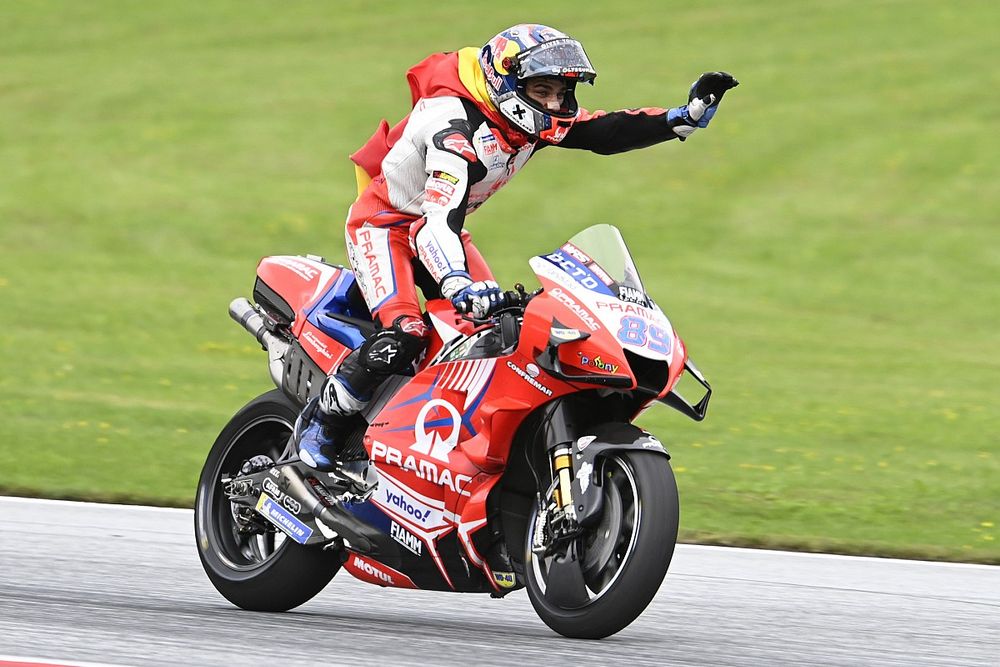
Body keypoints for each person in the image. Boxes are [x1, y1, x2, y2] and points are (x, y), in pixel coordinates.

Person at [294, 23, 738, 470]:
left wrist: (679, 118)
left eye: (562, 92)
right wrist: (457, 282)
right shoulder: (454, 128)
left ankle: (433, 445)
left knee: (492, 335)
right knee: (407, 332)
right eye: (542, 90)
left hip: (445, 227)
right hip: (387, 226)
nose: (554, 104)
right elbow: (434, 228)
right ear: (504, 82)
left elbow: (603, 131)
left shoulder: (525, 118)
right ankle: (323, 422)